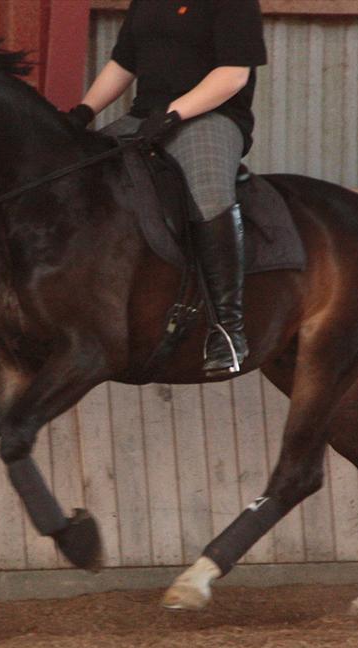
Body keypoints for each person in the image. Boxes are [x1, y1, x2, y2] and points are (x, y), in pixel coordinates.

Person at [69, 0, 267, 375]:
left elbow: (233, 75)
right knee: (79, 171)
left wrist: (175, 114)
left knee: (208, 192)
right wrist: (84, 112)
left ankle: (227, 329)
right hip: (145, 117)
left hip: (209, 117)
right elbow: (123, 64)